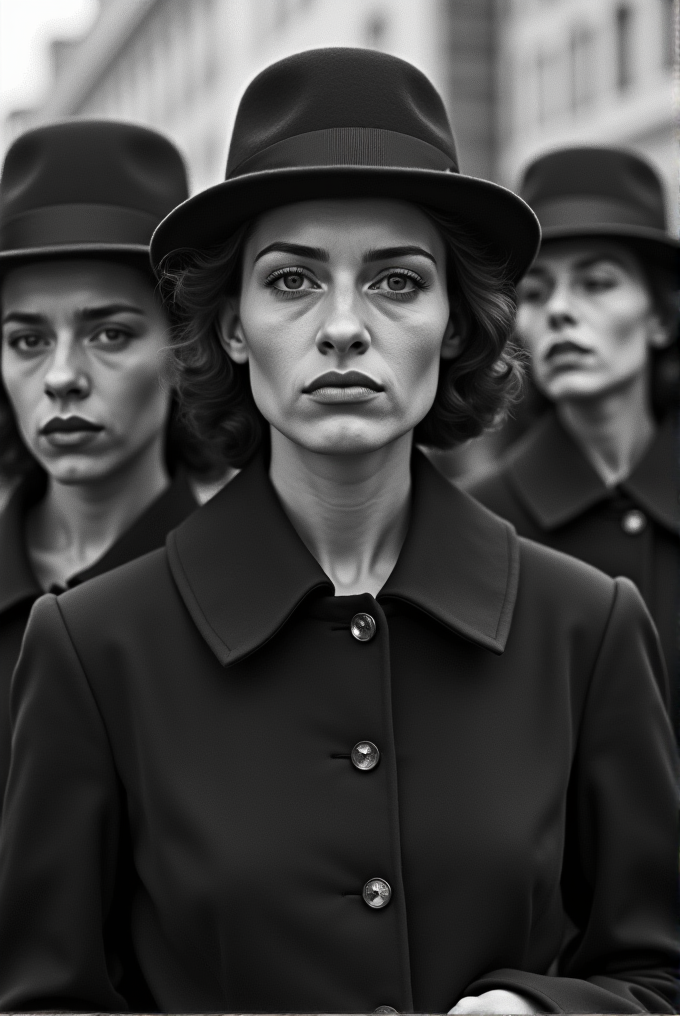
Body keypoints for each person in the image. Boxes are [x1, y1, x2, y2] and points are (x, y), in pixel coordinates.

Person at [0, 50, 676, 1016]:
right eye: (292, 281)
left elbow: (661, 973)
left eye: (398, 282)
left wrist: (548, 1011)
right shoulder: (92, 646)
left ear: (453, 324)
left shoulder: (588, 625)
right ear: (232, 326)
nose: (345, 327)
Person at [0, 120, 204, 796]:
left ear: (184, 351)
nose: (62, 376)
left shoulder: (256, 597)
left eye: (109, 332)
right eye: (28, 339)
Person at [466, 147, 679, 741]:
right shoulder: (473, 524)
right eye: (535, 293)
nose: (560, 311)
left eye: (596, 283)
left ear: (660, 318)